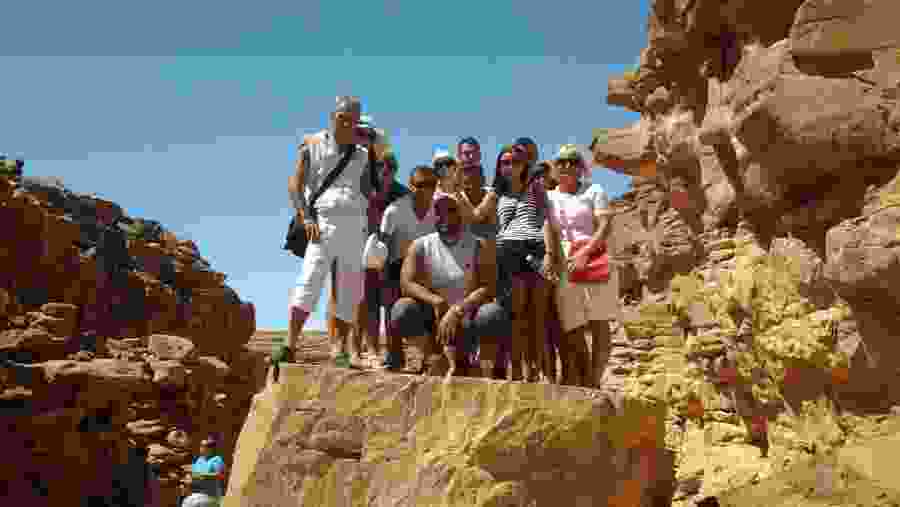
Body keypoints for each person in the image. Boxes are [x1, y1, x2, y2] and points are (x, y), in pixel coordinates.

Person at [287, 95, 385, 367]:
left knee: (350, 291)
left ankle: (340, 350)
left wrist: (372, 229)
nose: (348, 124)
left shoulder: (365, 154)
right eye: (343, 117)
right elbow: (294, 185)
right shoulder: (312, 146)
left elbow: (368, 192)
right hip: (323, 222)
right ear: (332, 117)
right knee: (309, 281)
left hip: (355, 225)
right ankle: (290, 344)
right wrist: (306, 216)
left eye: (353, 120)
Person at [389, 193, 507, 378]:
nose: (444, 216)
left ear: (460, 214)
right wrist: (436, 301)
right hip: (435, 320)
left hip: (467, 318)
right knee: (402, 308)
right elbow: (407, 283)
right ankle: (433, 360)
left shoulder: (478, 245)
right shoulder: (420, 245)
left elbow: (489, 286)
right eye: (438, 211)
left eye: (450, 210)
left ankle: (481, 368)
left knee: (492, 313)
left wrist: (458, 309)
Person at [546, 144, 620, 387]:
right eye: (562, 162)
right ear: (555, 169)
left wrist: (585, 254)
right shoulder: (549, 197)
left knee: (599, 323)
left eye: (573, 161)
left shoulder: (594, 190)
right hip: (565, 262)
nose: (567, 165)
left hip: (593, 257)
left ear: (581, 168)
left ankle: (595, 380)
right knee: (572, 325)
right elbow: (549, 231)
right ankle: (585, 375)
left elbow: (605, 225)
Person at [493, 138, 563, 382]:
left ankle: (541, 375)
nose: (510, 166)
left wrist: (551, 256)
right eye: (505, 162)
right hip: (508, 253)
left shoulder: (535, 187)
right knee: (516, 315)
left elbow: (547, 221)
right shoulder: (497, 192)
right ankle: (518, 372)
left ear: (523, 165)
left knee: (538, 316)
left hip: (534, 249)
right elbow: (482, 217)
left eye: (515, 161)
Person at [349, 148, 409, 368]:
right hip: (363, 250)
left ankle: (393, 352)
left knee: (390, 303)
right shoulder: (363, 190)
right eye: (381, 166)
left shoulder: (402, 194)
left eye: (391, 167)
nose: (385, 171)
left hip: (391, 254)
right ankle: (367, 349)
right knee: (366, 301)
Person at [377, 164, 438, 370]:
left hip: (428, 267)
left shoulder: (440, 211)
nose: (426, 189)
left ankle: (429, 357)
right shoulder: (394, 210)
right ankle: (394, 355)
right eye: (420, 185)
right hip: (397, 265)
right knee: (391, 294)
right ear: (411, 186)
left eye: (431, 184)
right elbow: (382, 245)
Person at [181, 436, 226, 507]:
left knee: (192, 503)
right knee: (186, 503)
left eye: (203, 446)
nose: (201, 448)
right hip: (196, 494)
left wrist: (201, 475)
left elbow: (220, 475)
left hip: (210, 495)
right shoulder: (199, 460)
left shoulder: (216, 459)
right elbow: (192, 473)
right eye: (201, 446)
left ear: (211, 448)